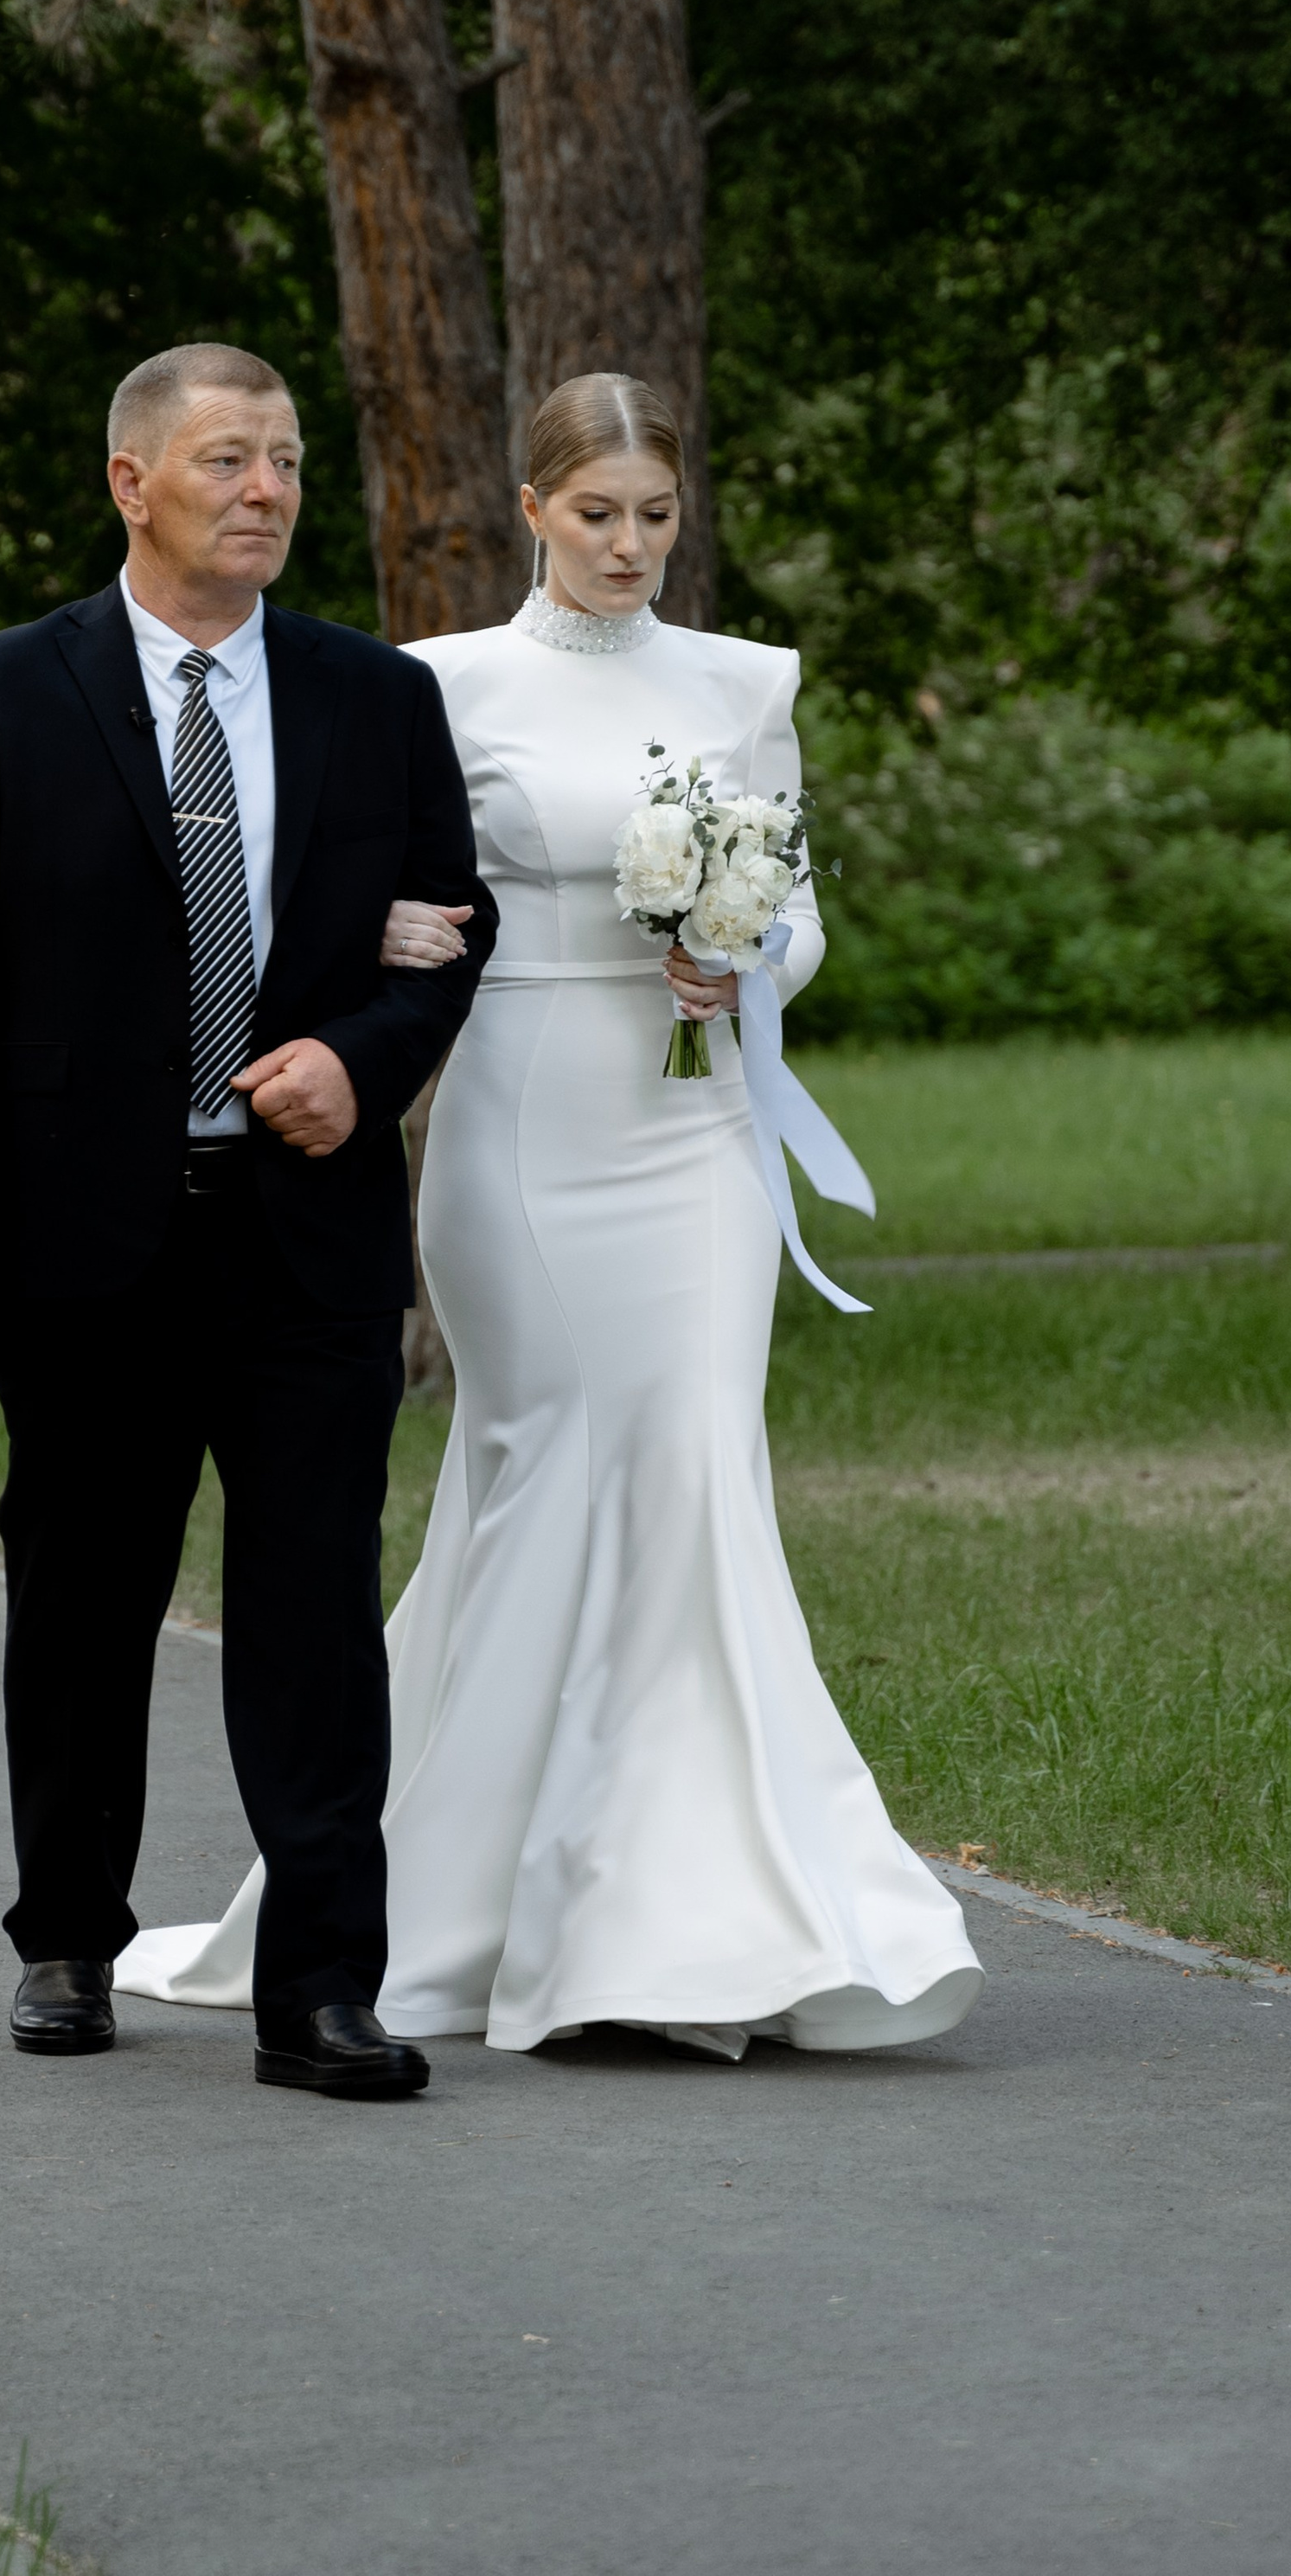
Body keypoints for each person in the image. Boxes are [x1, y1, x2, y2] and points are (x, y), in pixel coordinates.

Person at [118, 372, 983, 2060]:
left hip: (694, 1123)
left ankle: (684, 1925)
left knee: (693, 1467)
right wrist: (400, 962)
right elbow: (374, 881)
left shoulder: (742, 685)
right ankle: (457, 1902)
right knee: (540, 1466)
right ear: (528, 509)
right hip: (520, 1126)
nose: (629, 547)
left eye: (656, 516)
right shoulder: (434, 686)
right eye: (597, 515)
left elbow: (797, 911)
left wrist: (739, 955)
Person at [0, 343, 495, 2098]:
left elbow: (455, 926)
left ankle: (318, 1989)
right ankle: (68, 1937)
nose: (268, 489)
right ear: (131, 482)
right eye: (229, 459)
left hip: (302, 1227)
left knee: (310, 1602)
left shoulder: (376, 699)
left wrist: (360, 1063)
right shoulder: (8, 689)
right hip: (79, 1231)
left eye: (287, 460)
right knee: (83, 1594)